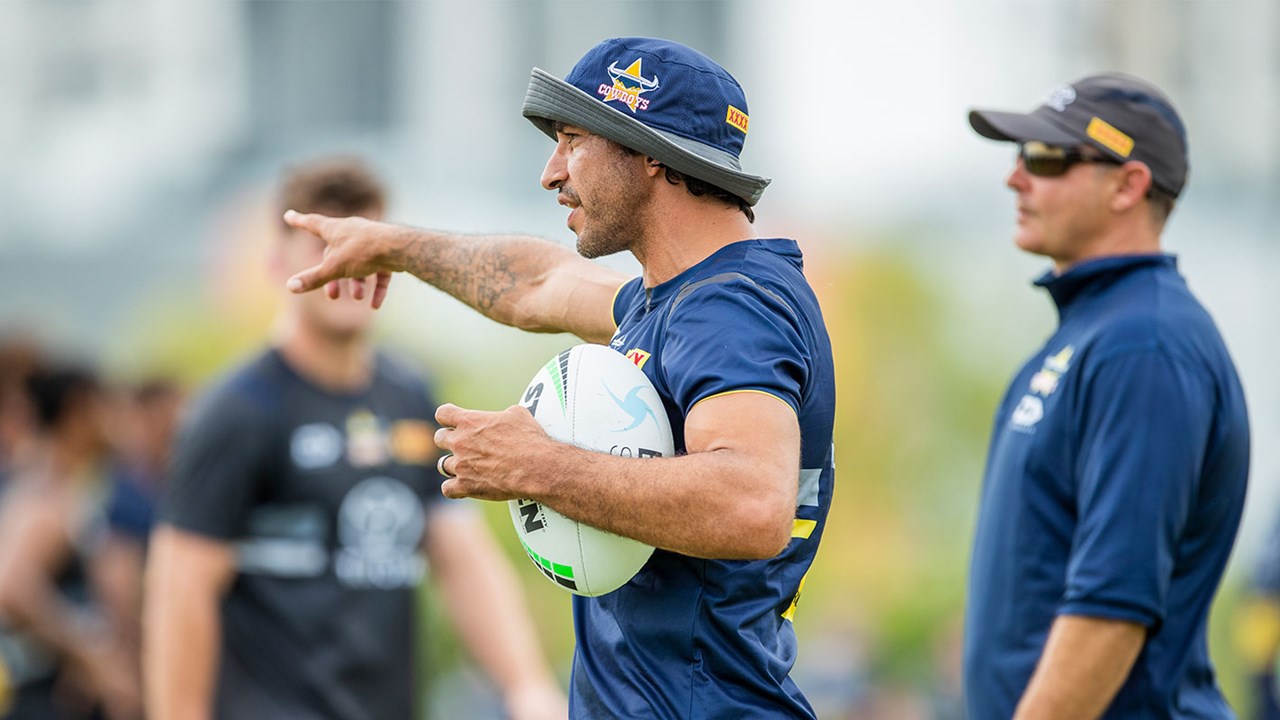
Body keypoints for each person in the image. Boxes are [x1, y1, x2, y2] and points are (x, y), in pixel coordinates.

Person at [283, 37, 837, 719]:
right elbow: (540, 282)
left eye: (572, 140)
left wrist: (538, 467)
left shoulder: (730, 308)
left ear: (651, 156)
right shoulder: (671, 302)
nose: (551, 173)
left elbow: (751, 505)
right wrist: (392, 246)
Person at [144, 157, 565, 720]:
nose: (345, 266)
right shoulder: (236, 412)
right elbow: (181, 591)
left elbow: (464, 560)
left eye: (364, 246)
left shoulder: (411, 396)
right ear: (276, 263)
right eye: (322, 244)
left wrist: (526, 687)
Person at [963, 73, 1250, 719]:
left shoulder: (1144, 345)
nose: (1015, 178)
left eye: (1046, 158)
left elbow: (1111, 607)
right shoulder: (1094, 336)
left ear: (1128, 185)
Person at [0, 365, 142, 720]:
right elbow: (11, 585)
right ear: (78, 410)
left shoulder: (77, 484)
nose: (115, 419)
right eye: (105, 405)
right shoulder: (45, 489)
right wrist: (88, 653)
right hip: (42, 698)